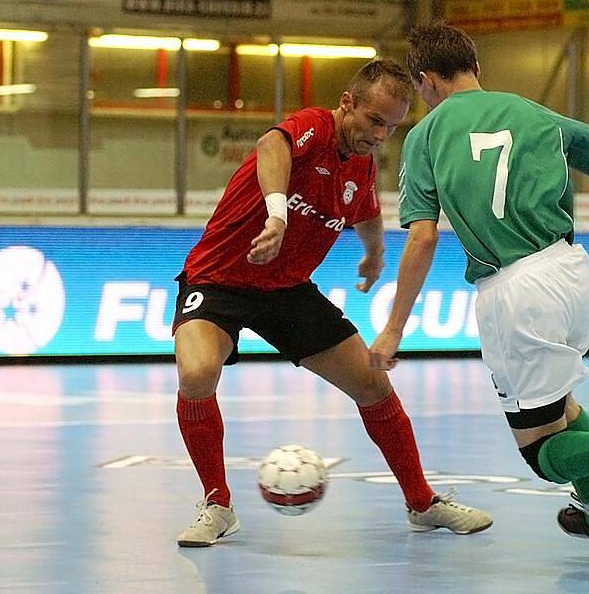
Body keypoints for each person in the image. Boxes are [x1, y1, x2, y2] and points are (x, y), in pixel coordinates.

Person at [172, 58, 493, 547]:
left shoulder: (361, 164)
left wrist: (374, 253)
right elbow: (270, 145)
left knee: (372, 382)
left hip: (287, 290)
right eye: (373, 121)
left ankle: (423, 503)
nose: (381, 134)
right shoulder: (314, 128)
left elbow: (365, 211)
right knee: (196, 374)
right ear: (348, 104)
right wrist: (277, 217)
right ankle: (217, 504)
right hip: (219, 281)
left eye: (391, 126)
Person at [369, 25, 589, 557]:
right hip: (571, 272)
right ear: (475, 67)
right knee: (563, 408)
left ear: (427, 81)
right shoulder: (538, 115)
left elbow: (423, 237)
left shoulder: (426, 135)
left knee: (541, 449)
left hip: (514, 291)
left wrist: (392, 329)